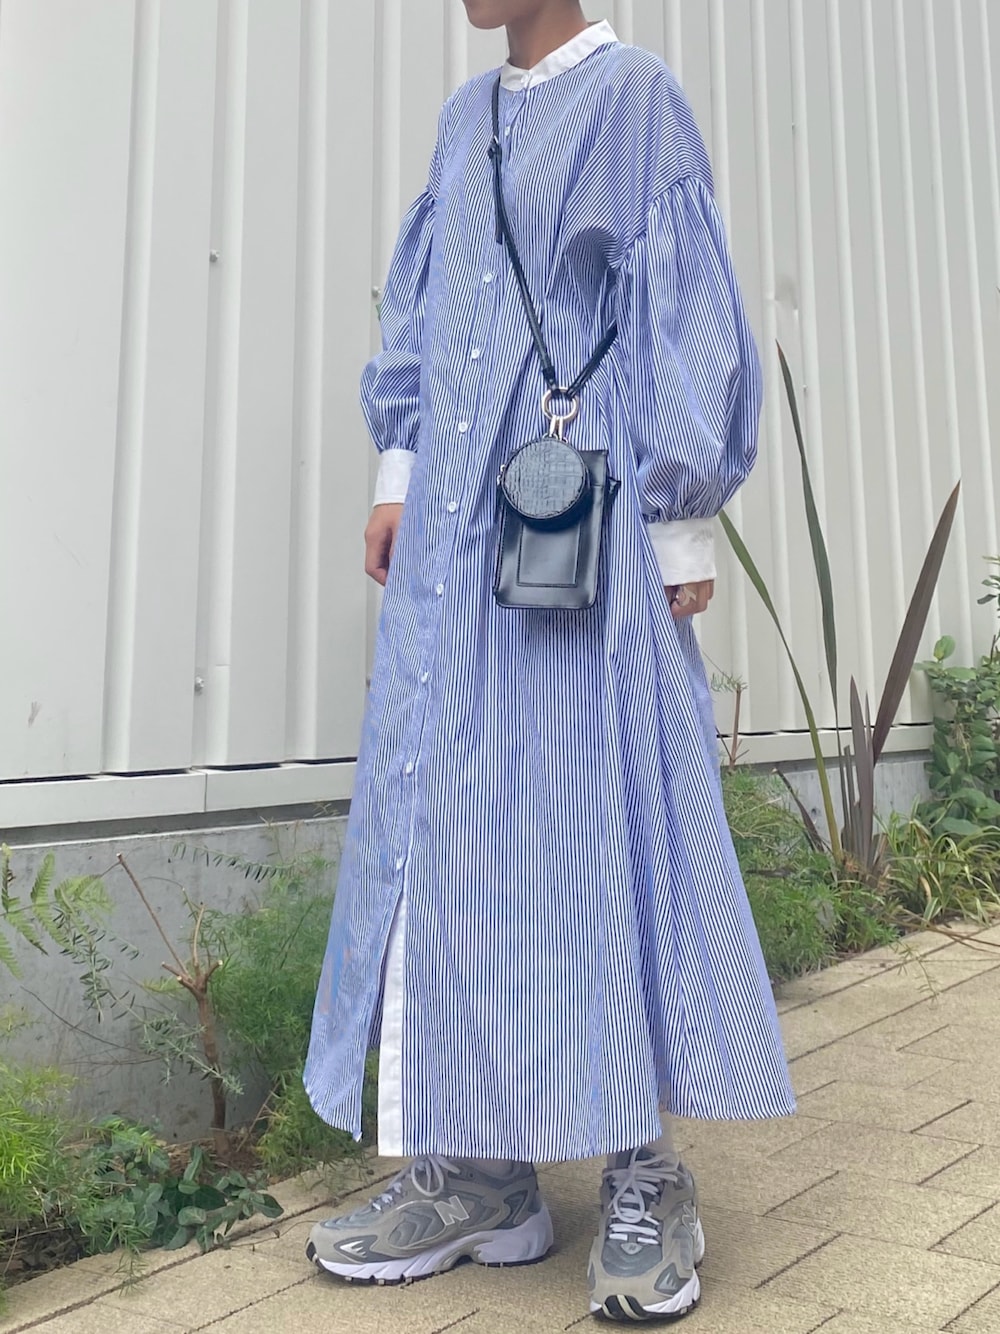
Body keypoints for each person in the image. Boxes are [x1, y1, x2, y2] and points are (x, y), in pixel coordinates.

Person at [303, 0, 795, 1321]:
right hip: (453, 548)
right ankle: (484, 1171)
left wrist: (681, 520)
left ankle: (647, 1170)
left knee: (598, 820)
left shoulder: (635, 98)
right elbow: (425, 303)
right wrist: (399, 467)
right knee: (453, 830)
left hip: (582, 533)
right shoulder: (465, 120)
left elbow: (678, 304)